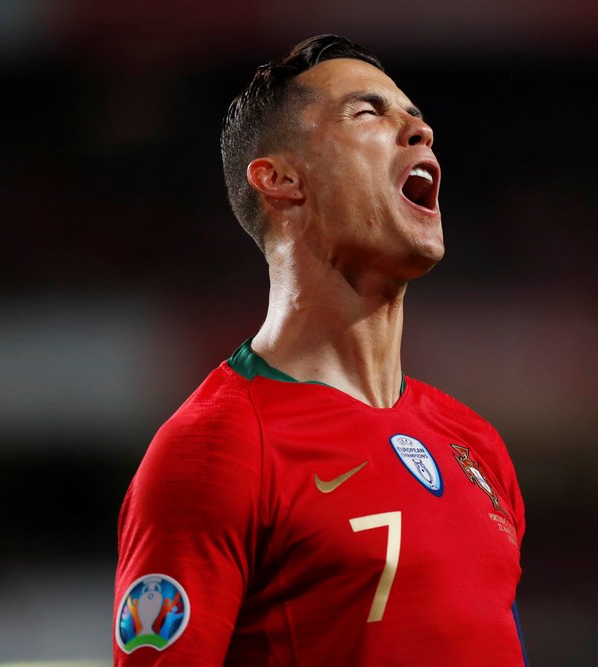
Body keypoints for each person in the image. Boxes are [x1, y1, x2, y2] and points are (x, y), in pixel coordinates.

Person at [113, 34, 527, 665]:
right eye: (369, 113)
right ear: (279, 180)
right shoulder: (214, 452)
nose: (420, 131)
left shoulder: (478, 446)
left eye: (415, 117)